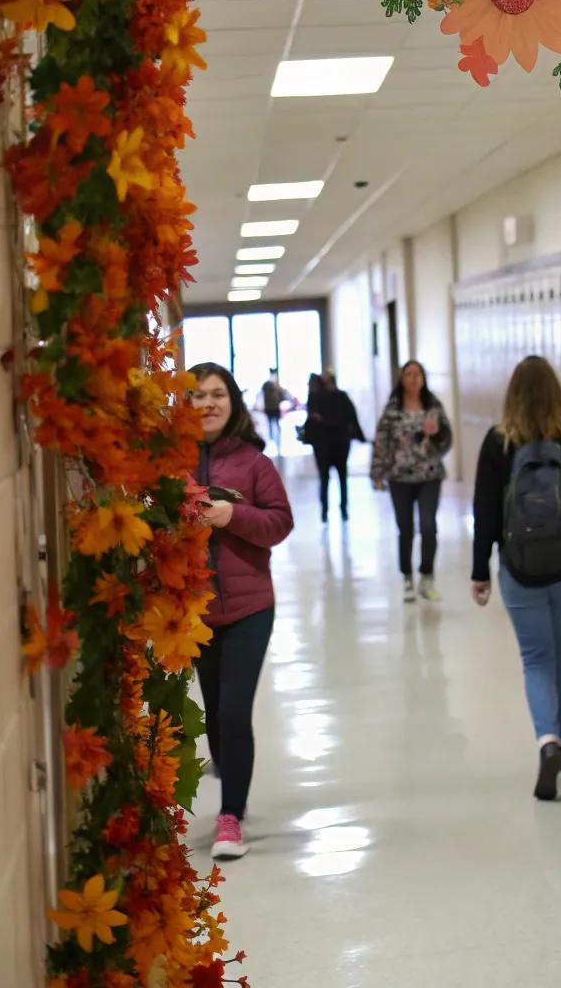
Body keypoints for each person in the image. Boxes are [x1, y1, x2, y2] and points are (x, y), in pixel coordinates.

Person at [471, 355, 561, 801]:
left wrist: (480, 573)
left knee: (535, 658)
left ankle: (546, 740)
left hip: (519, 567)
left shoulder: (497, 444)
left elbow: (485, 514)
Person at [190, 362, 294, 859]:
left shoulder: (254, 463)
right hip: (194, 613)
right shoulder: (170, 464)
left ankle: (230, 816)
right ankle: (231, 778)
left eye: (217, 394)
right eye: (197, 396)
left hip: (251, 606)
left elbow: (280, 522)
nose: (207, 403)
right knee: (214, 717)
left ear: (232, 402)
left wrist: (232, 516)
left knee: (234, 711)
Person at [371, 360, 453, 603]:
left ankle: (427, 577)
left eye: (418, 374)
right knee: (405, 529)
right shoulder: (392, 410)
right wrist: (377, 473)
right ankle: (407, 577)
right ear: (402, 379)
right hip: (400, 477)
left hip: (430, 475)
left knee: (428, 526)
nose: (414, 379)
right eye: (409, 374)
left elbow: (447, 438)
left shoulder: (433, 406)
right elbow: (381, 442)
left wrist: (436, 435)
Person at [307, 369, 366, 523]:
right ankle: (338, 509)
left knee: (328, 478)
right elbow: (351, 417)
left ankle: (329, 511)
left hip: (328, 444)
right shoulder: (338, 397)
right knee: (339, 477)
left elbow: (313, 419)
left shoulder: (319, 397)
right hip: (336, 443)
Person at [261, 367, 290, 446]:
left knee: (275, 423)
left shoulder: (275, 385)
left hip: (274, 407)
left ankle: (276, 438)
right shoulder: (268, 385)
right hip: (270, 407)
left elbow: (283, 394)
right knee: (271, 423)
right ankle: (272, 438)